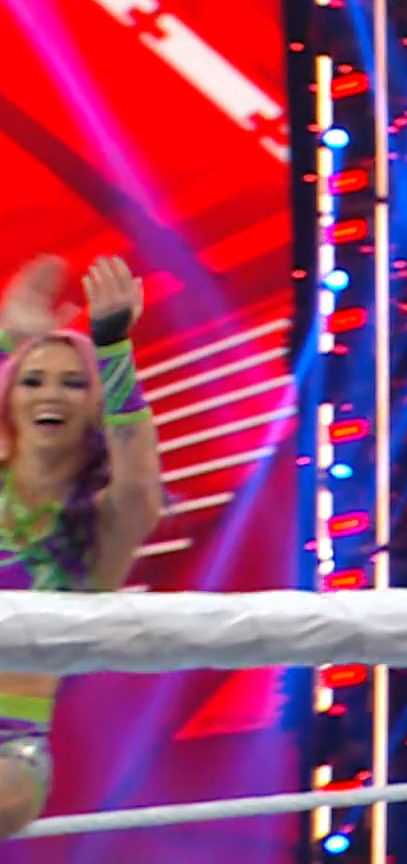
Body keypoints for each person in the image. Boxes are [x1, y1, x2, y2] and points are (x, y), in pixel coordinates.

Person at [0, 255, 163, 837]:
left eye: (74, 383)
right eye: (33, 380)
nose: (52, 395)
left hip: (9, 746)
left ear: (96, 406)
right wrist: (8, 338)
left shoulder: (99, 526)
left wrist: (113, 349)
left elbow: (139, 487)